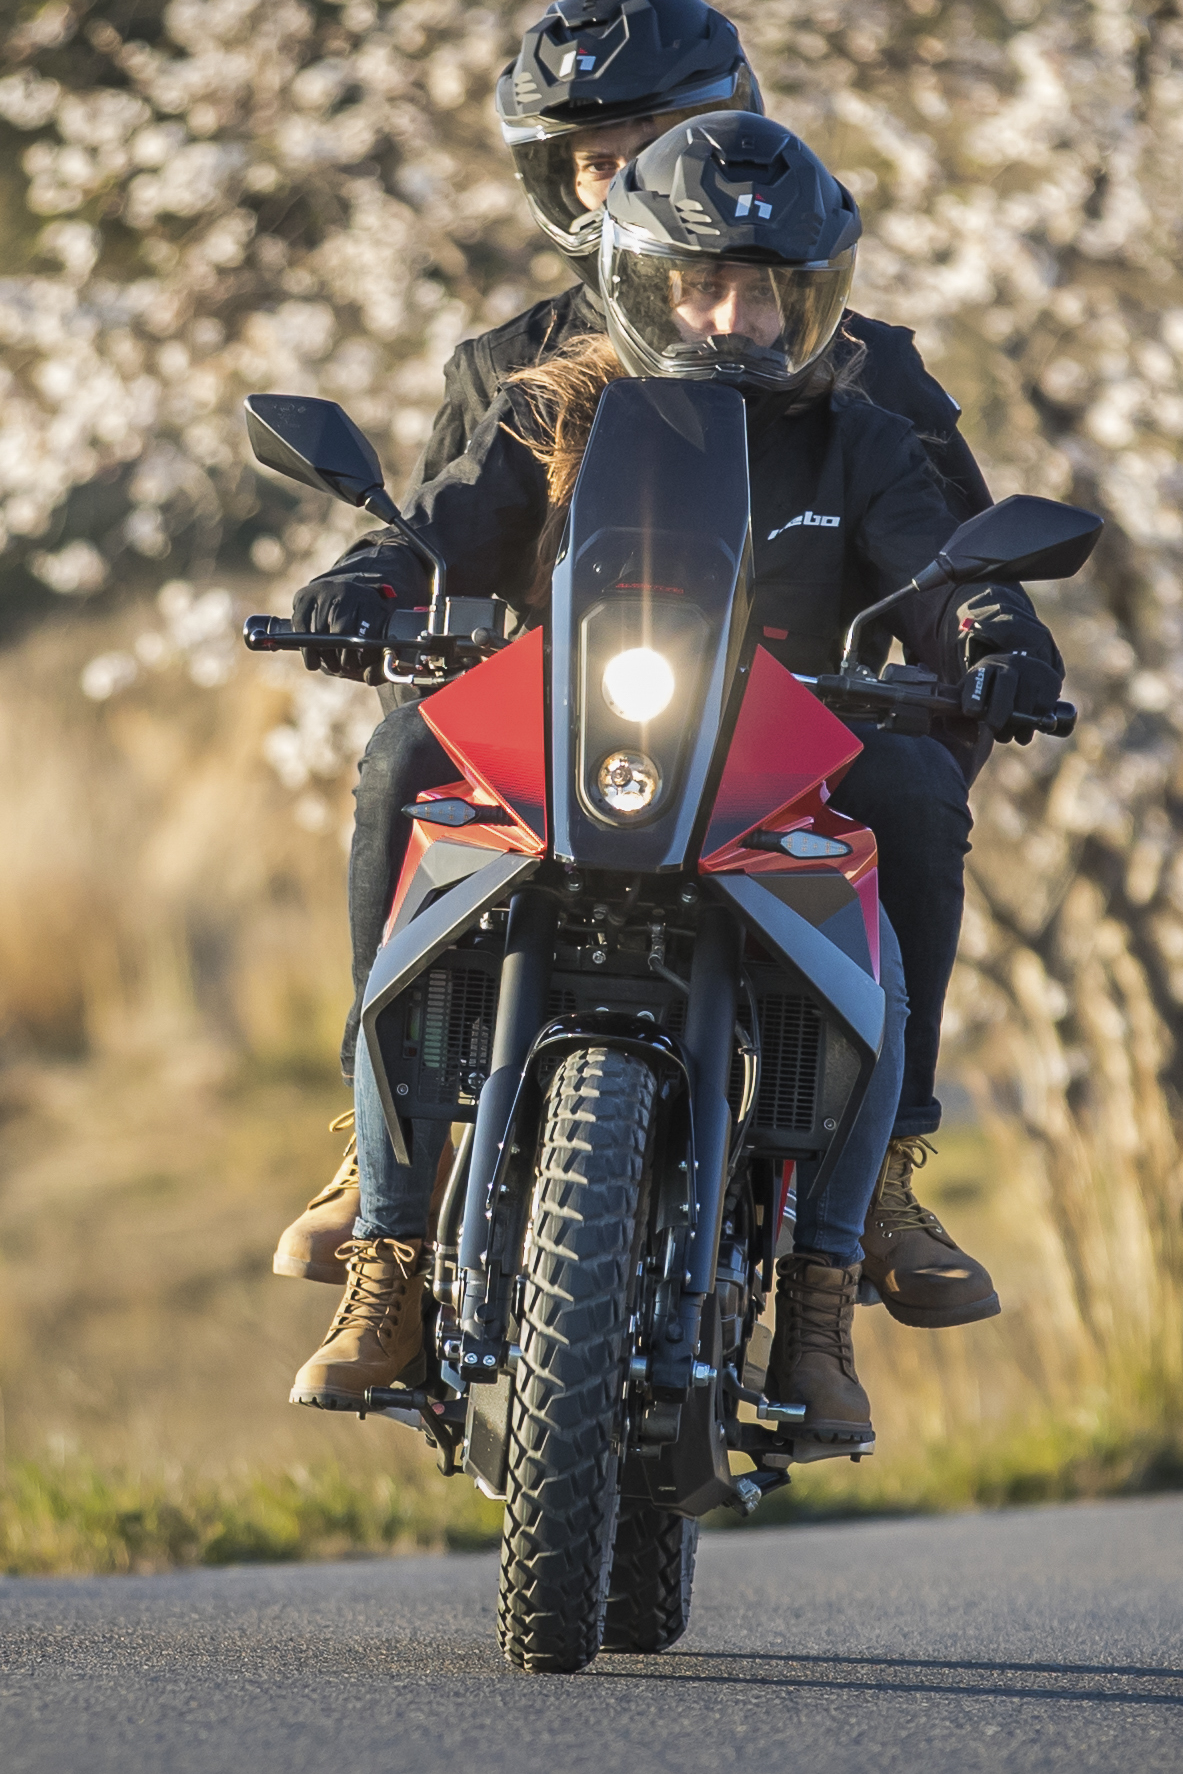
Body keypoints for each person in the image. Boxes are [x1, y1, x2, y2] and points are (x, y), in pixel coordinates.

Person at [284, 114, 1066, 1446]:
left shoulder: (860, 439)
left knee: (917, 792)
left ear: (813, 299)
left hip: (784, 745)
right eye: (702, 283)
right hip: (570, 727)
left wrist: (996, 636)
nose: (733, 317)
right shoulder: (552, 410)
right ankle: (392, 1250)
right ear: (641, 282)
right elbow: (443, 531)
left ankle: (836, 1267)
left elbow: (944, 569)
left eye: (766, 291)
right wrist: (369, 579)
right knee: (404, 752)